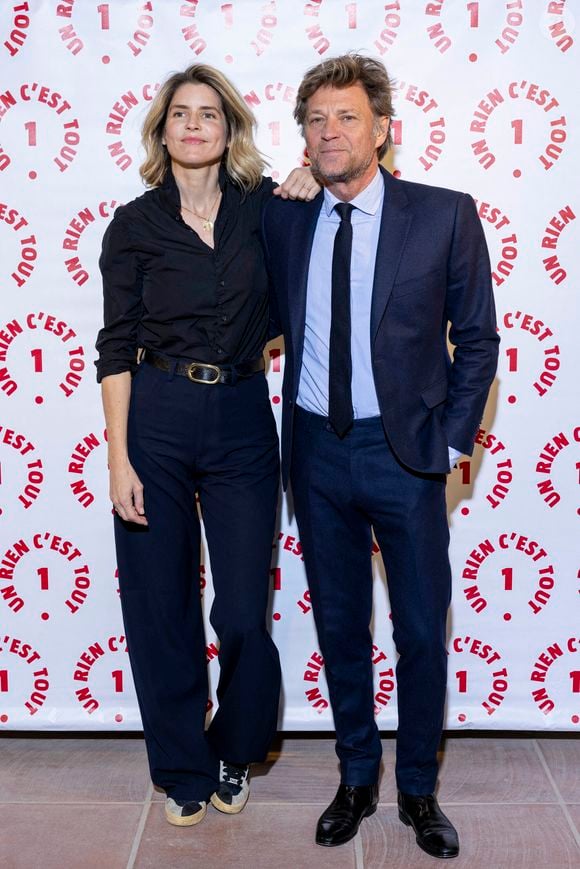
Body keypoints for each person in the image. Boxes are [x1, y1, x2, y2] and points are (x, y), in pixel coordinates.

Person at [262, 54, 499, 857]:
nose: (330, 133)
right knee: (338, 624)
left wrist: (453, 440)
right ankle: (357, 774)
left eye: (347, 117)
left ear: (384, 129)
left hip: (406, 454)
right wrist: (290, 181)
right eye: (316, 120)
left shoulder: (443, 214)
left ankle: (420, 790)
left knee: (422, 632)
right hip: (316, 452)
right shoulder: (285, 214)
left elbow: (478, 339)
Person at [95, 63, 319, 828]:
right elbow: (116, 348)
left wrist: (307, 183)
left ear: (230, 130)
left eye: (210, 115)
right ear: (162, 130)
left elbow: (310, 267)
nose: (194, 126)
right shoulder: (133, 224)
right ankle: (183, 765)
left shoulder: (264, 209)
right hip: (154, 414)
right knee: (161, 604)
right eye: (181, 114)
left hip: (240, 416)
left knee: (243, 611)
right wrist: (119, 456)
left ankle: (235, 744)